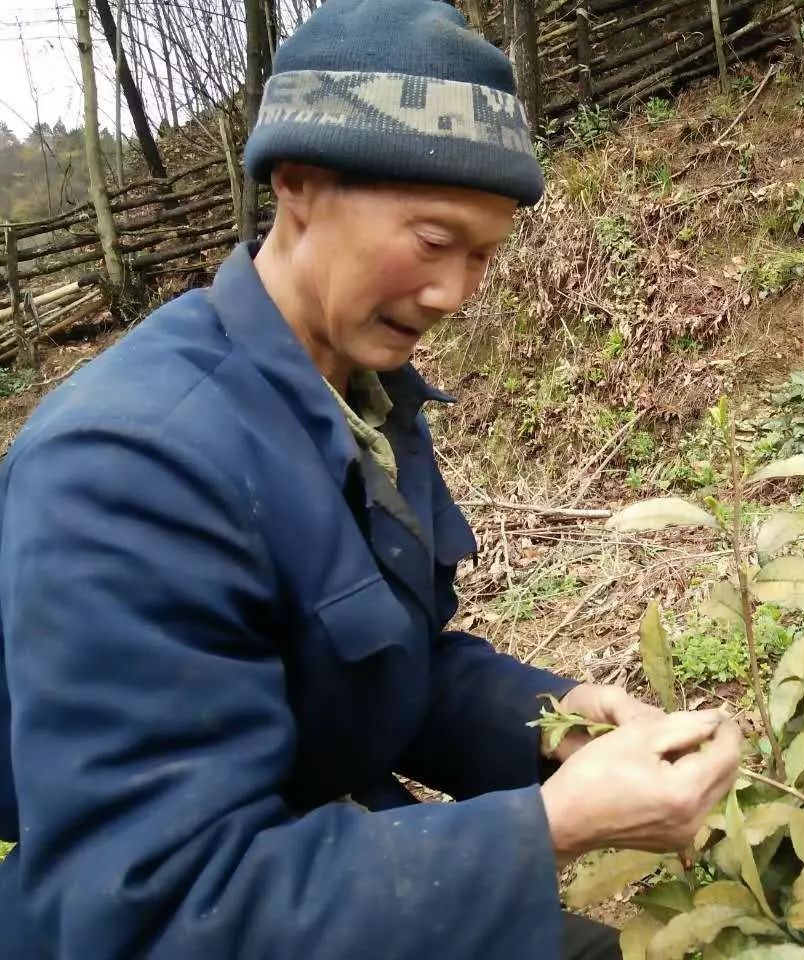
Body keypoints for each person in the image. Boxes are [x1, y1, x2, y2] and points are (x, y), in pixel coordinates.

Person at [0, 1, 743, 956]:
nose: (454, 294)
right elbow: (148, 908)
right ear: (299, 183)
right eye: (433, 242)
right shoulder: (130, 469)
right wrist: (550, 828)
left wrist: (551, 726)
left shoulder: (360, 399)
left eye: (484, 257)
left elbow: (382, 670)